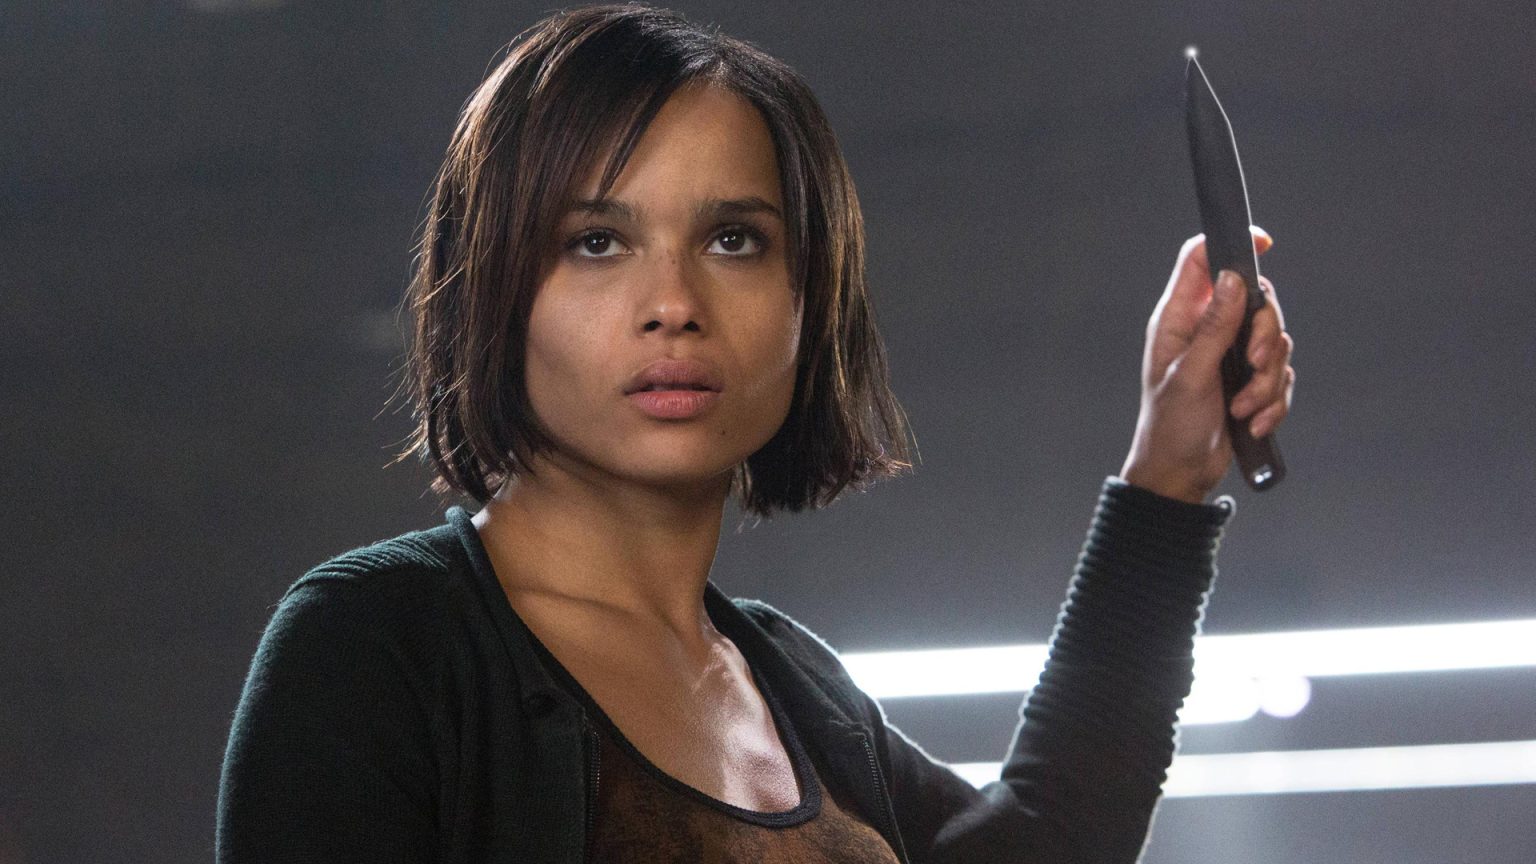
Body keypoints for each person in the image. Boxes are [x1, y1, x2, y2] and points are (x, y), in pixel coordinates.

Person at [215, 5, 1295, 863]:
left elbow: (1042, 847)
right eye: (597, 241)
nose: (673, 303)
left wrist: (1167, 473)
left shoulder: (800, 690)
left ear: (807, 300)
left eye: (734, 239)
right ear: (493, 286)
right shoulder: (375, 649)